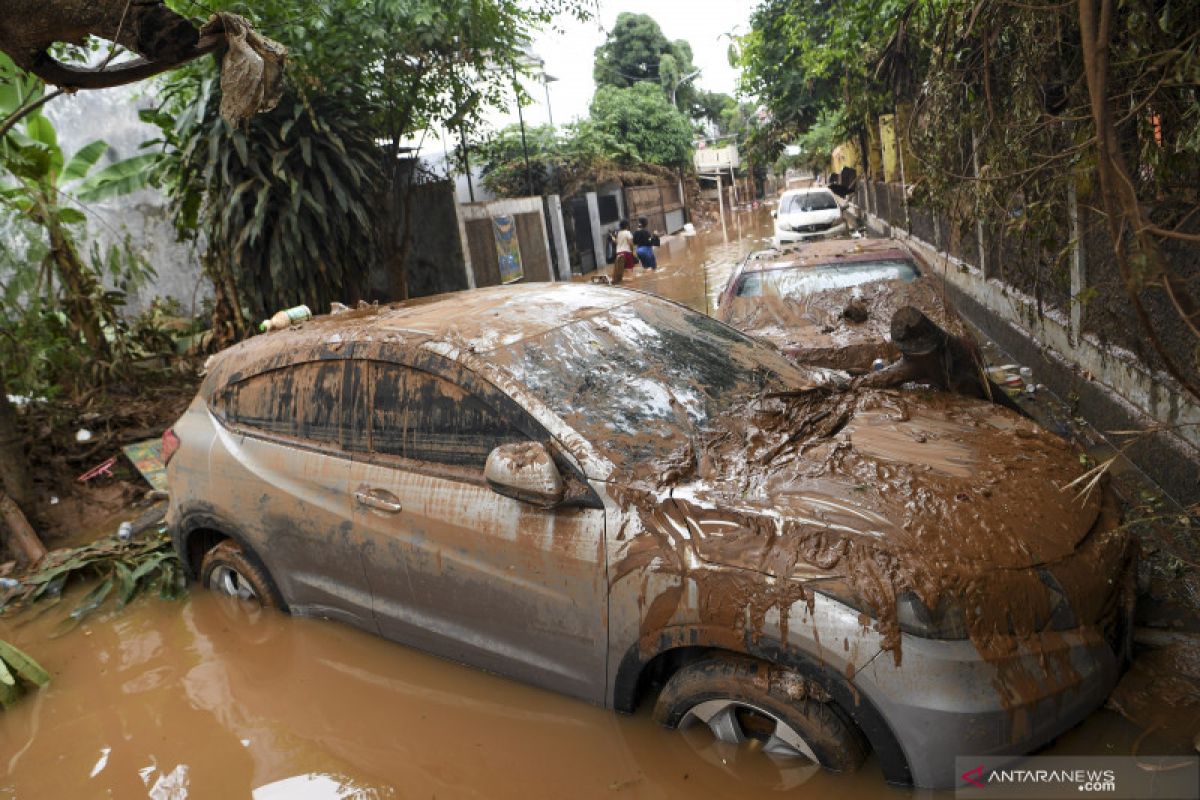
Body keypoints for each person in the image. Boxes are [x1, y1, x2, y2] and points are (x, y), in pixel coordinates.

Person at [611, 219, 636, 285]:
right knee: (630, 273)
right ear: (627, 226)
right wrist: (633, 251)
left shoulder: (618, 234)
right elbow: (630, 243)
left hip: (619, 254)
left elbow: (617, 243)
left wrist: (614, 239)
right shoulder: (627, 233)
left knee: (621, 272)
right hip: (627, 253)